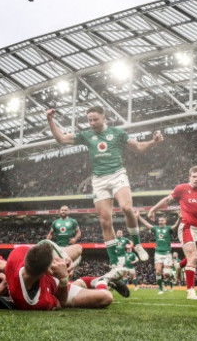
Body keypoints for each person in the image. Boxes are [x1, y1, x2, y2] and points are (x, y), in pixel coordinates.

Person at [47, 106, 163, 266]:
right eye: (89, 120)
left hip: (117, 175)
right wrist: (50, 120)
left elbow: (139, 147)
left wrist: (154, 142)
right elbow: (61, 139)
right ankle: (115, 262)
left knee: (127, 208)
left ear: (104, 118)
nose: (92, 123)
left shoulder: (117, 133)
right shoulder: (86, 135)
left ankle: (137, 244)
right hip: (99, 180)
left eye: (95, 119)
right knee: (105, 222)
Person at [148, 165, 197, 300]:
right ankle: (190, 292)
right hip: (186, 226)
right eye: (194, 177)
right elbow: (167, 200)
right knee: (193, 256)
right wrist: (153, 209)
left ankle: (179, 265)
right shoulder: (181, 188)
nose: (196, 179)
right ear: (189, 177)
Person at [5, 241, 127, 310]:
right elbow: (61, 302)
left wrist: (64, 258)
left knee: (78, 249)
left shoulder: (17, 253)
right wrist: (63, 279)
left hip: (42, 273)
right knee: (106, 297)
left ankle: (83, 281)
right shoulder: (35, 301)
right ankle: (102, 281)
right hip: (57, 289)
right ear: (48, 270)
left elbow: (42, 246)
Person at [136, 210, 181, 294]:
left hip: (167, 253)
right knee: (158, 272)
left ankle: (172, 275)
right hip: (158, 253)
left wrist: (179, 218)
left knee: (167, 274)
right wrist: (139, 217)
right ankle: (161, 289)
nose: (160, 222)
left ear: (165, 221)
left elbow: (175, 226)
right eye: (159, 220)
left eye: (162, 220)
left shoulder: (168, 229)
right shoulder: (156, 228)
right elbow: (147, 224)